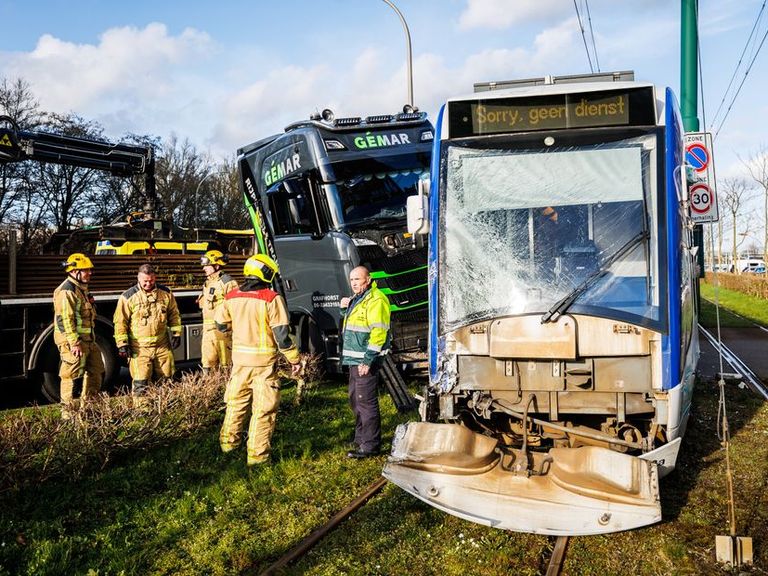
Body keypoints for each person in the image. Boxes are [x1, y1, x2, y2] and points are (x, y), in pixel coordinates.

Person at [215, 254, 302, 465]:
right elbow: (282, 336)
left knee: (235, 404)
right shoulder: (271, 298)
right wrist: (294, 359)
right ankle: (257, 457)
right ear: (266, 273)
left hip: (239, 362)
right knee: (264, 410)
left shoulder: (232, 296)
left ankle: (228, 446)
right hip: (263, 364)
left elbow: (219, 324)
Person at [340, 265, 391, 459]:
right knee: (356, 400)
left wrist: (368, 360)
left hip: (365, 360)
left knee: (366, 402)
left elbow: (378, 333)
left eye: (358, 279)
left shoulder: (376, 300)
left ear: (368, 280)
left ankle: (370, 446)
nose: (354, 283)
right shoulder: (357, 298)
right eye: (352, 279)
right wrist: (343, 308)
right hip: (354, 359)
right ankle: (360, 439)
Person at [113, 263, 182, 400]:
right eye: (145, 281)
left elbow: (174, 314)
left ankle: (165, 409)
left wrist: (176, 333)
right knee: (141, 382)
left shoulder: (166, 294)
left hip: (162, 346)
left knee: (167, 380)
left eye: (151, 280)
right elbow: (120, 321)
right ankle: (143, 413)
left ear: (154, 278)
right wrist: (122, 344)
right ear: (138, 278)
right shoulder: (128, 297)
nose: (148, 284)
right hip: (139, 349)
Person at [53, 253, 104, 418]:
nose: (90, 273)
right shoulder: (67, 291)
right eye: (85, 270)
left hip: (88, 341)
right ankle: (68, 415)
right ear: (74, 271)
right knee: (72, 377)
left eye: (89, 270)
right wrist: (74, 343)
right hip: (74, 343)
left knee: (96, 372)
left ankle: (89, 410)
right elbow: (65, 320)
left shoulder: (81, 289)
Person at [197, 250, 238, 373]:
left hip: (223, 333)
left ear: (217, 265)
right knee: (208, 365)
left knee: (226, 366)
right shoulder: (208, 283)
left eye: (207, 265)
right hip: (208, 333)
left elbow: (236, 308)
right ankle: (211, 390)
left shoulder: (228, 282)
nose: (204, 268)